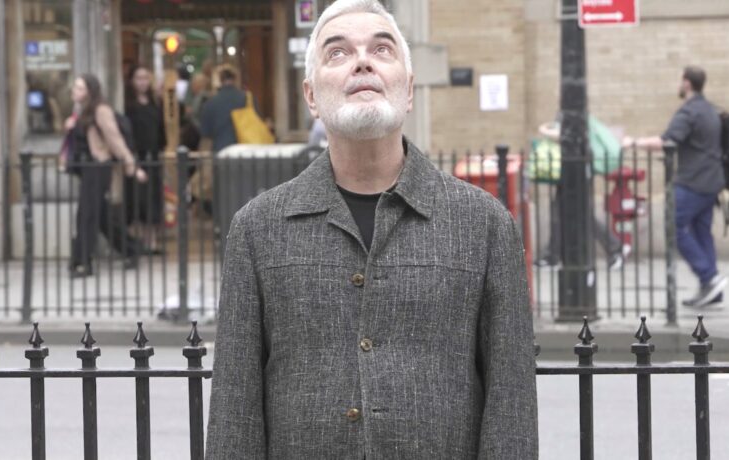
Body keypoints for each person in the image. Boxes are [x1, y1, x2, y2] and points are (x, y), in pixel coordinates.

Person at [205, 1, 539, 458]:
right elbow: (234, 414)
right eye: (337, 53)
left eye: (381, 49)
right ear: (310, 96)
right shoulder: (257, 229)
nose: (362, 60)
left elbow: (511, 409)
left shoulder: (484, 225)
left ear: (409, 90)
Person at [630, 66, 729, 308]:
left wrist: (633, 142)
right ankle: (712, 289)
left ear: (686, 83)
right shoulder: (709, 110)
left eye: (681, 80)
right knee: (701, 230)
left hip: (692, 182)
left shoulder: (690, 112)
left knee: (673, 226)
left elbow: (667, 142)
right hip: (711, 182)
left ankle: (708, 276)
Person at [67, 74, 147, 278]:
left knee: (87, 214)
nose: (74, 91)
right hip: (87, 167)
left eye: (79, 88)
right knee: (102, 217)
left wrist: (131, 165)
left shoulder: (101, 110)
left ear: (89, 91)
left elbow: (114, 139)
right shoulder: (80, 111)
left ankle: (83, 261)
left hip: (98, 167)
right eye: (75, 87)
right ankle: (130, 249)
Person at [537, 114, 628, 270]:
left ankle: (615, 248)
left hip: (576, 174)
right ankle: (552, 255)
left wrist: (545, 131)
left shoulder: (574, 114)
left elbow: (571, 138)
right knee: (560, 212)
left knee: (583, 216)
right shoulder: (575, 114)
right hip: (570, 173)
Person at [124, 65, 166, 253]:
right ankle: (138, 242)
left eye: (145, 78)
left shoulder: (155, 103)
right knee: (136, 200)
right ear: (132, 81)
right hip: (136, 157)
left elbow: (161, 130)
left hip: (153, 156)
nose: (142, 82)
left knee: (153, 201)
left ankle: (152, 242)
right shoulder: (128, 104)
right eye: (138, 78)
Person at [198, 66, 258, 154]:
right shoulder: (248, 99)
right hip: (246, 151)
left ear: (220, 80)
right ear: (236, 79)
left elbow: (206, 136)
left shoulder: (210, 103)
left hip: (220, 152)